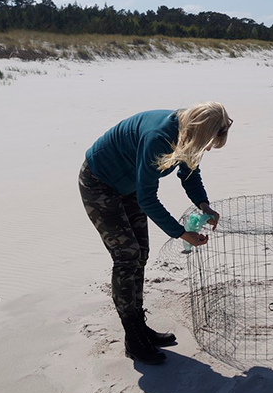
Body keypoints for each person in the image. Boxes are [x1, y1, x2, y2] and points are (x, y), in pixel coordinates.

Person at [79, 102, 231, 366]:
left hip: (128, 187)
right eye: (208, 144)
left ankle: (140, 326)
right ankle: (133, 338)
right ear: (201, 132)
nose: (207, 149)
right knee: (127, 257)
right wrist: (182, 234)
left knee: (142, 254)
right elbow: (147, 198)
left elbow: (189, 172)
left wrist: (203, 204)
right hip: (99, 183)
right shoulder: (158, 138)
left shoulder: (186, 131)